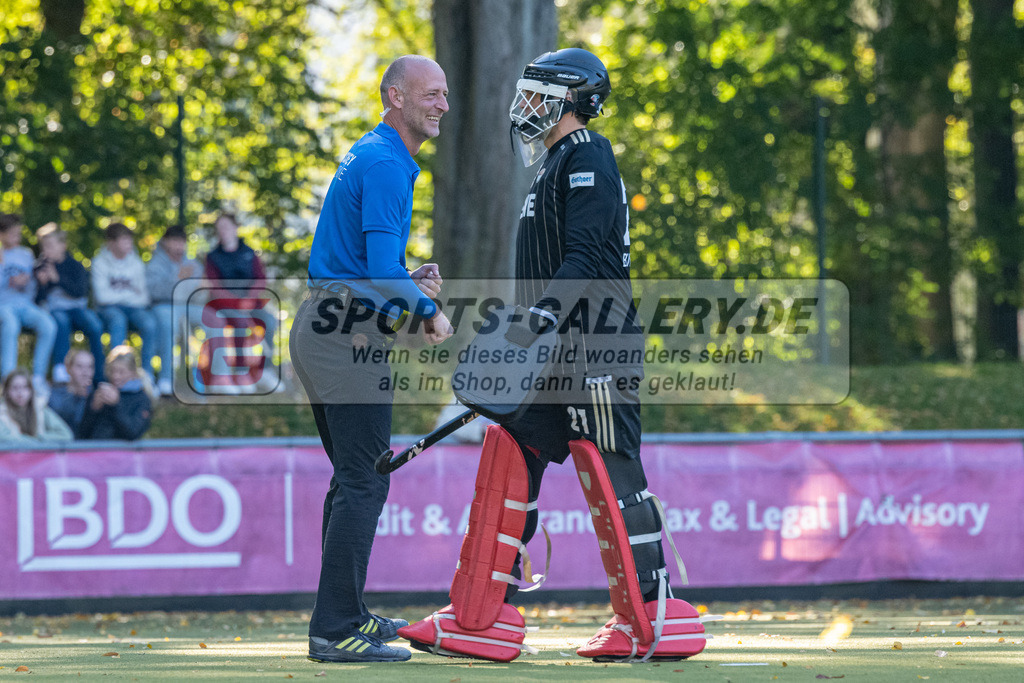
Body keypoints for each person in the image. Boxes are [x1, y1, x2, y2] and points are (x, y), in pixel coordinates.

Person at [402, 48, 699, 662]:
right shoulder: (553, 162)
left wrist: (539, 318)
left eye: (537, 94)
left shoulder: (588, 152)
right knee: (509, 450)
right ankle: (482, 616)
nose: (525, 106)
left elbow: (588, 255)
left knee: (613, 470)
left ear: (570, 100)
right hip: (551, 349)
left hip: (596, 342)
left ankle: (654, 616)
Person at [289, 54, 454, 664]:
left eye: (444, 94)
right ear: (395, 97)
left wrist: (408, 285)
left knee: (353, 480)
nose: (442, 104)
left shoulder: (374, 153)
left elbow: (370, 272)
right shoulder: (388, 164)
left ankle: (346, 614)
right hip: (342, 335)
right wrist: (428, 311)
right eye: (430, 94)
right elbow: (380, 272)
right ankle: (334, 629)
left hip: (327, 325)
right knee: (364, 480)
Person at [202, 212, 276, 392]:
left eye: (226, 226)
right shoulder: (212, 257)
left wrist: (249, 299)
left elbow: (260, 279)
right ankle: (241, 373)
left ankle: (265, 371)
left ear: (235, 228)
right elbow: (215, 288)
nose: (224, 231)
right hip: (224, 306)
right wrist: (237, 303)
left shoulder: (249, 253)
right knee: (240, 323)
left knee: (270, 321)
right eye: (220, 228)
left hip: (251, 303)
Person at [34, 222, 106, 384]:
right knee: (60, 321)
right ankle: (60, 368)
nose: (47, 250)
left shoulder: (75, 266)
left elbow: (80, 291)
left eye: (51, 246)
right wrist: (42, 284)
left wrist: (58, 279)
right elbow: (38, 300)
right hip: (55, 310)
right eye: (44, 246)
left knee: (95, 325)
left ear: (63, 245)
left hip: (77, 308)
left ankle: (99, 372)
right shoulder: (40, 267)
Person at [91, 222, 157, 382]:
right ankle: (116, 374)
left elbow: (144, 298)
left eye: (130, 240)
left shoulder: (136, 263)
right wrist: (129, 293)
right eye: (124, 240)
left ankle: (146, 375)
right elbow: (102, 298)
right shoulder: (99, 262)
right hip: (107, 309)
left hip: (133, 308)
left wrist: (118, 294)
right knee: (117, 320)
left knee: (150, 324)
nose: (129, 244)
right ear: (111, 242)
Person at [0, 213, 57, 391]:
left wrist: (34, 280)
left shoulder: (26, 254)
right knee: (10, 324)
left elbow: (32, 288)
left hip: (25, 305)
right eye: (12, 234)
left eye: (18, 233)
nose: (17, 237)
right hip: (3, 305)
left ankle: (38, 377)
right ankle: (8, 378)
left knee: (48, 325)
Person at [146, 223, 203, 396]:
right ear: (165, 242)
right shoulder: (155, 263)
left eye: (182, 242)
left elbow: (200, 294)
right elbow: (154, 292)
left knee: (216, 320)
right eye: (175, 241)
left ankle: (216, 377)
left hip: (189, 306)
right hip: (162, 306)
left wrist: (187, 286)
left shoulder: (193, 264)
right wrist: (178, 279)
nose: (179, 246)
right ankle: (166, 379)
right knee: (167, 322)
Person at [78, 345, 153, 440]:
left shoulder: (142, 399)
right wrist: (93, 409)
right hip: (97, 451)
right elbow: (82, 433)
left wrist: (116, 405)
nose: (115, 376)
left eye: (121, 372)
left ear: (133, 372)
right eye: (112, 371)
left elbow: (133, 433)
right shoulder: (99, 393)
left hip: (124, 453)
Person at [0, 368, 73, 442]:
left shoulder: (40, 408)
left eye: (25, 387)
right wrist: (35, 442)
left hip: (40, 453)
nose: (20, 393)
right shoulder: (1, 413)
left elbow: (66, 435)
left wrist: (40, 438)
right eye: (15, 388)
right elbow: (4, 438)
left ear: (31, 390)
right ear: (7, 391)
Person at [47, 348, 95, 436]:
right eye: (79, 366)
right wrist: (76, 397)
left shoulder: (96, 397)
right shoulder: (54, 394)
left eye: (89, 367)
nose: (85, 372)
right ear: (68, 368)